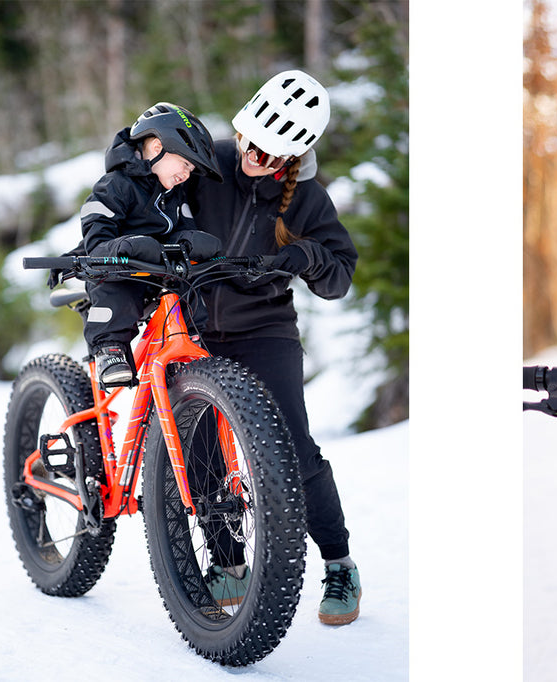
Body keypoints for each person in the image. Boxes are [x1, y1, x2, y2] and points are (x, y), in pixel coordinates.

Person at [185, 70, 362, 625]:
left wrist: (304, 257)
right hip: (191, 330)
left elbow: (340, 277)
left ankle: (339, 564)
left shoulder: (306, 198)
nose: (254, 156)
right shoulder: (205, 161)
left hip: (264, 332)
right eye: (251, 142)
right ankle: (230, 563)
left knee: (292, 449)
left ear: (294, 157)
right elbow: (145, 195)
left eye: (270, 153)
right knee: (200, 451)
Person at [79, 102, 223, 389]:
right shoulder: (115, 186)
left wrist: (192, 242)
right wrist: (128, 247)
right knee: (117, 291)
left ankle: (190, 341)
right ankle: (110, 349)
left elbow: (184, 229)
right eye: (186, 163)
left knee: (190, 286)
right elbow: (95, 239)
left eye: (192, 168)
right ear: (157, 146)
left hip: (158, 273)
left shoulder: (174, 194)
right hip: (116, 271)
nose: (187, 173)